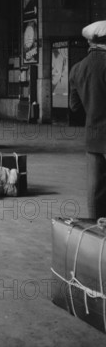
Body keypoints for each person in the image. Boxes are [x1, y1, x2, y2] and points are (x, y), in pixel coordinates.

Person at [69, 20, 106, 219]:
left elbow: (74, 107)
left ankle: (97, 235)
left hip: (92, 137)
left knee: (95, 190)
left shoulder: (77, 69)